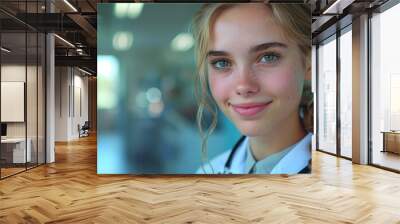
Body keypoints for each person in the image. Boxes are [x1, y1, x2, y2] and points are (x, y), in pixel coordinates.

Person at [192, 3, 313, 174]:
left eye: (268, 57)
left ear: (309, 63)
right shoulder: (206, 174)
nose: (243, 86)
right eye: (222, 63)